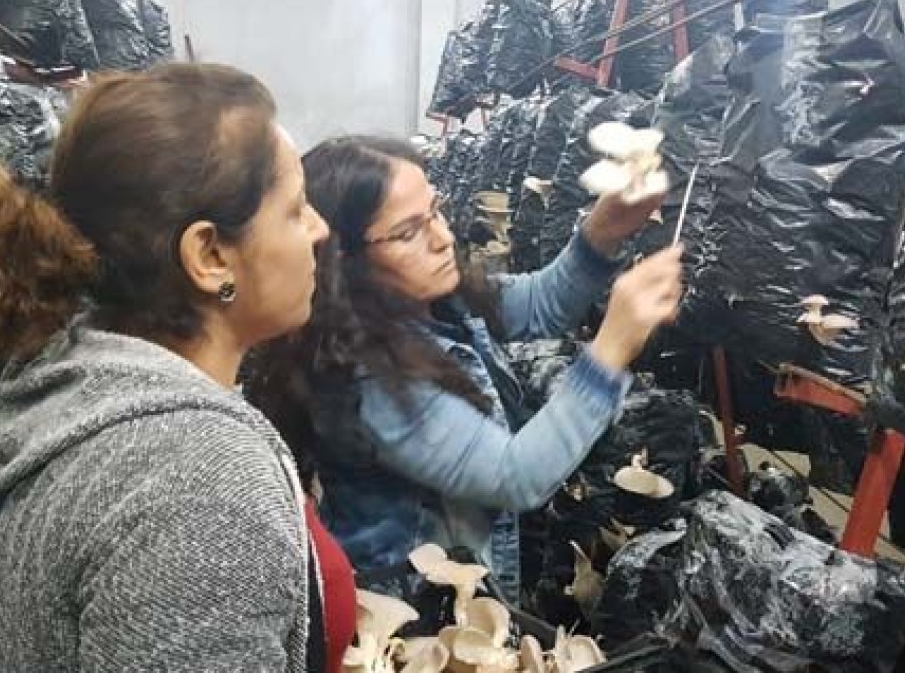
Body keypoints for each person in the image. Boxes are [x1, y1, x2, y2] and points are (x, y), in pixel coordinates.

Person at [0, 63, 347, 672]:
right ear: (210, 255)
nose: (319, 229)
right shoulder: (198, 481)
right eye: (296, 209)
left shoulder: (79, 385)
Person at [246, 136, 682, 600]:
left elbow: (541, 303)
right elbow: (515, 476)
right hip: (423, 609)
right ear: (343, 262)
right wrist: (611, 349)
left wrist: (604, 231)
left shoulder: (432, 302)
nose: (444, 238)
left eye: (435, 211)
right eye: (408, 233)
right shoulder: (368, 377)